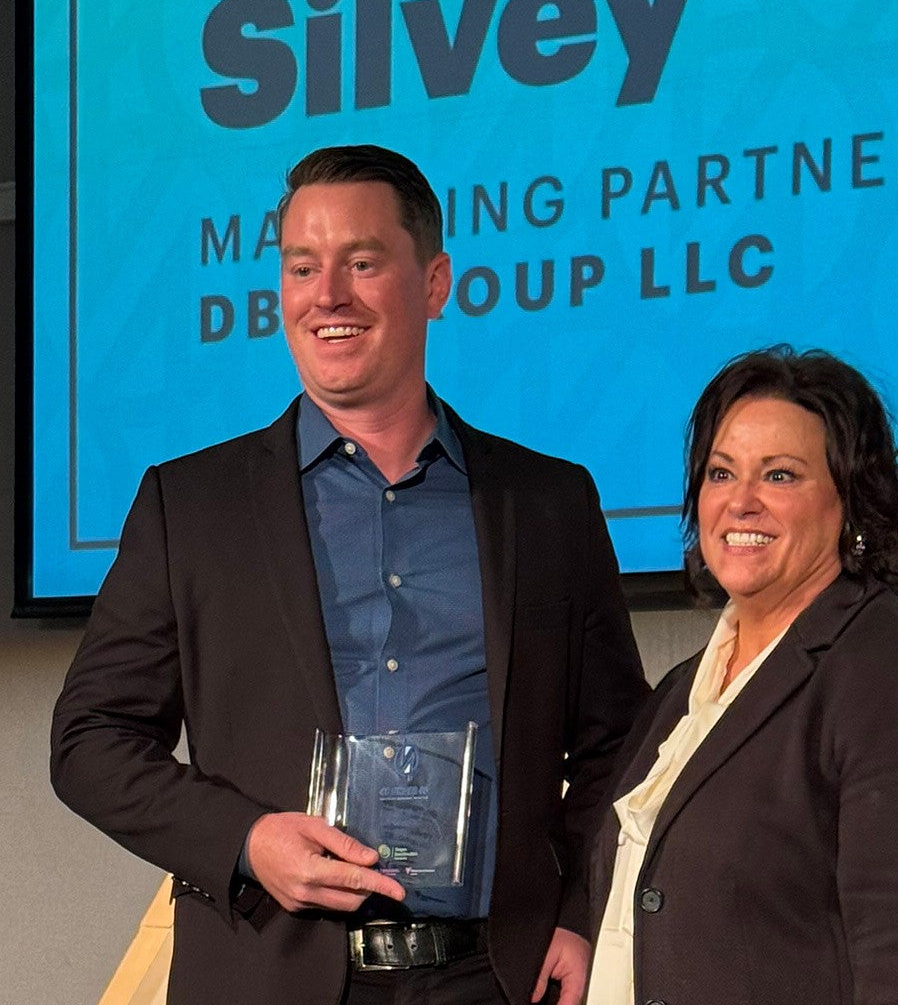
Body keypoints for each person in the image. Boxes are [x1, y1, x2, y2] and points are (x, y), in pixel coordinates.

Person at [51, 144, 649, 1005]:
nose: (327, 294)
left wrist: (580, 910)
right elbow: (89, 740)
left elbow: (614, 747)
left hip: (492, 979)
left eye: (362, 263)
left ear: (435, 282)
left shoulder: (547, 502)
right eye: (303, 267)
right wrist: (247, 839)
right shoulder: (191, 506)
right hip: (266, 973)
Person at [586, 346, 898, 1005]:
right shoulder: (681, 691)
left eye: (781, 476)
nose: (741, 504)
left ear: (850, 500)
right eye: (721, 473)